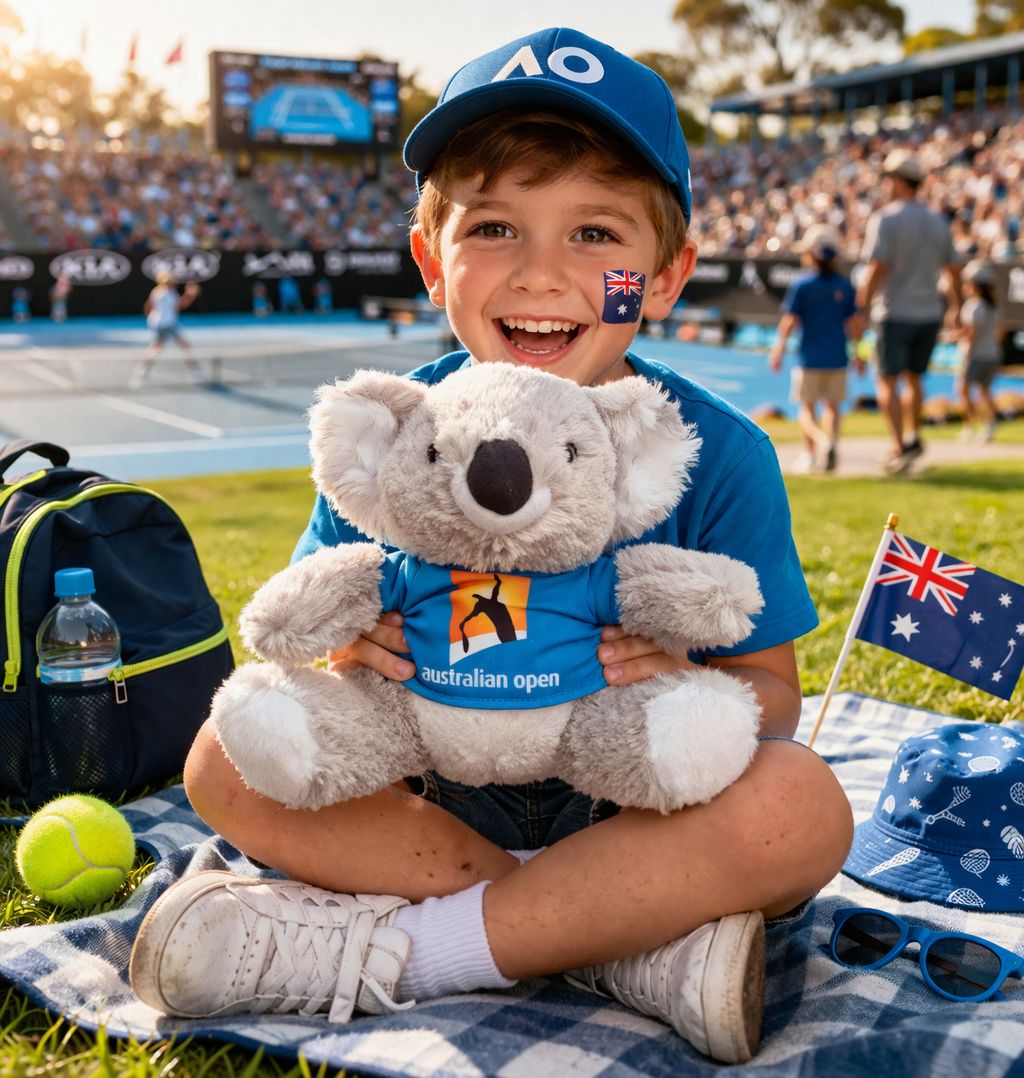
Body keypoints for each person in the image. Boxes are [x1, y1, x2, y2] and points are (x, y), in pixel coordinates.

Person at [128, 29, 852, 1065]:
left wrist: (689, 679)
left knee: (802, 806)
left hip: (634, 800)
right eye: (497, 227)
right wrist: (349, 655)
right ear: (432, 261)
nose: (544, 272)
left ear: (663, 277)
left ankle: (410, 952)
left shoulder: (715, 451)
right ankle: (612, 944)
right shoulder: (390, 437)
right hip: (431, 802)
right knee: (222, 758)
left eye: (597, 233)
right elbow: (312, 644)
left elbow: (771, 692)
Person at [856, 149, 962, 475]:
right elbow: (953, 269)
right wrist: (956, 307)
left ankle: (898, 447)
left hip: (893, 312)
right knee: (916, 379)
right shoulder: (938, 220)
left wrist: (860, 307)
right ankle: (914, 436)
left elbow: (876, 268)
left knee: (886, 379)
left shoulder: (886, 218)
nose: (886, 184)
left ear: (900, 181)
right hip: (928, 313)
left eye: (889, 178)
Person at [769, 225, 863, 473]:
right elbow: (855, 325)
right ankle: (830, 443)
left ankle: (816, 449)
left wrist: (778, 349)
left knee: (807, 409)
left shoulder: (803, 284)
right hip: (838, 356)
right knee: (832, 407)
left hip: (809, 357)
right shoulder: (844, 285)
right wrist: (860, 355)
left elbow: (790, 321)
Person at [956, 260, 1006, 443]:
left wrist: (955, 339)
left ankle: (970, 427)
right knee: (985, 390)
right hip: (992, 353)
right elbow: (1000, 332)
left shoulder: (974, 306)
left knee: (962, 390)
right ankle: (989, 424)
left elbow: (971, 334)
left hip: (975, 355)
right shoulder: (994, 306)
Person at [130, 270, 203, 389]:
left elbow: (148, 306)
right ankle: (196, 373)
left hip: (162, 323)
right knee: (161, 349)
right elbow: (181, 305)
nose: (172, 283)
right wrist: (190, 294)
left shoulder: (157, 291)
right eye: (170, 281)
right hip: (166, 325)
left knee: (174, 347)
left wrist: (151, 318)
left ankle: (141, 372)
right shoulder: (167, 293)